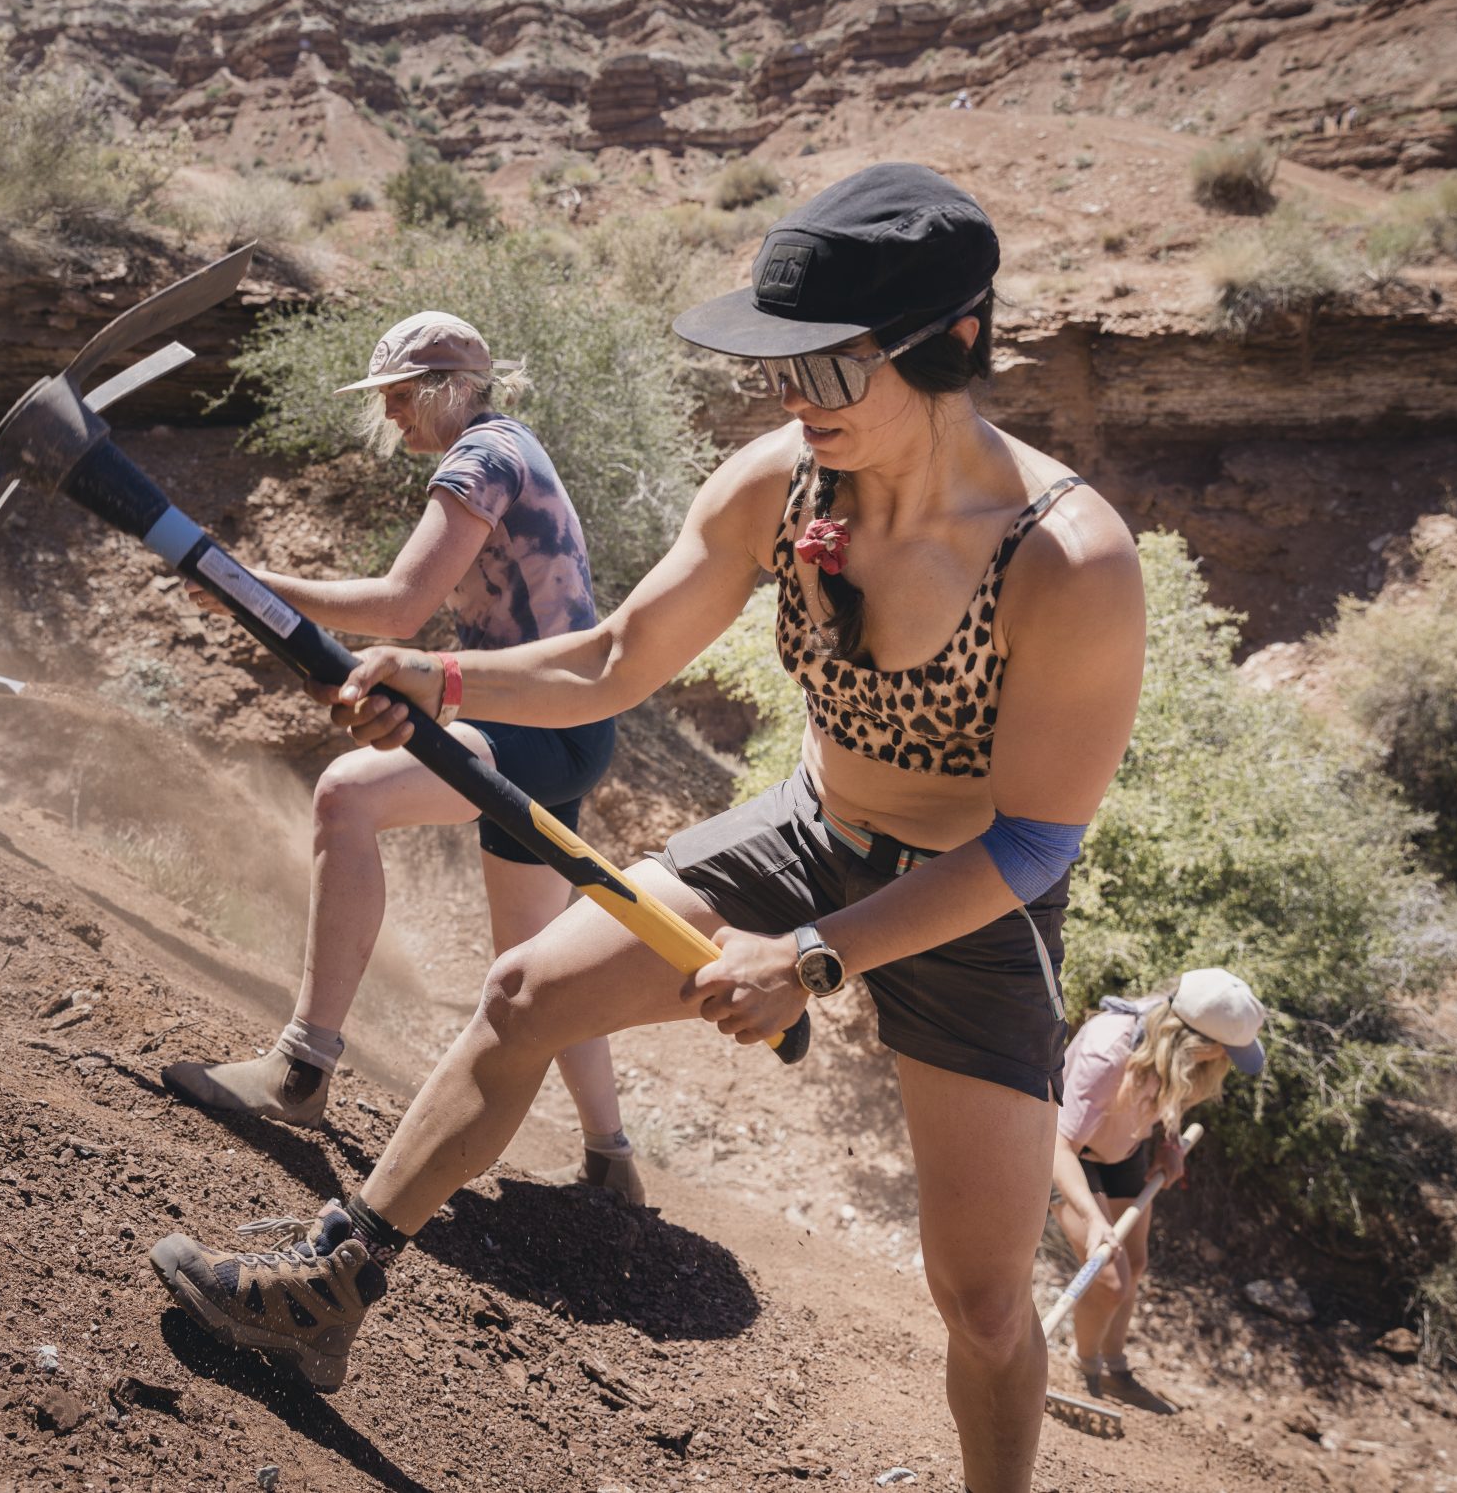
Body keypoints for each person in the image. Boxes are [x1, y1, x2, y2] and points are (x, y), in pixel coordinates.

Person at [150, 164, 1147, 1493]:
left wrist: (807, 960)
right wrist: (436, 681)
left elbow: (1029, 846)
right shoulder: (782, 484)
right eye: (784, 368)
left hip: (970, 900)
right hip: (810, 827)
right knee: (523, 992)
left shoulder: (1068, 559)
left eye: (833, 370)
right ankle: (332, 1286)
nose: (799, 402)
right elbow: (616, 657)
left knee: (975, 1304)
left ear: (953, 339)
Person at [161, 312, 639, 1201]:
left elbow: (399, 607)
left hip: (532, 721)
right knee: (535, 956)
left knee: (347, 794)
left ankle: (300, 1070)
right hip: (567, 722)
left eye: (395, 398)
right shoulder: (507, 450)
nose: (389, 418)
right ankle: (612, 1160)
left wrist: (249, 583)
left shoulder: (482, 458)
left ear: (441, 389)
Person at [1048, 966, 1267, 1414]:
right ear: (1200, 1045)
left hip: (1124, 1148)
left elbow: (1171, 1091)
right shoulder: (1109, 1050)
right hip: (1065, 1156)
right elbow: (1056, 1143)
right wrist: (1093, 1221)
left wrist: (1168, 1142)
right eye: (1222, 1054)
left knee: (1137, 1261)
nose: (1221, 1063)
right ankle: (1082, 1366)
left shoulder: (1170, 1036)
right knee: (1109, 1278)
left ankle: (1114, 1366)